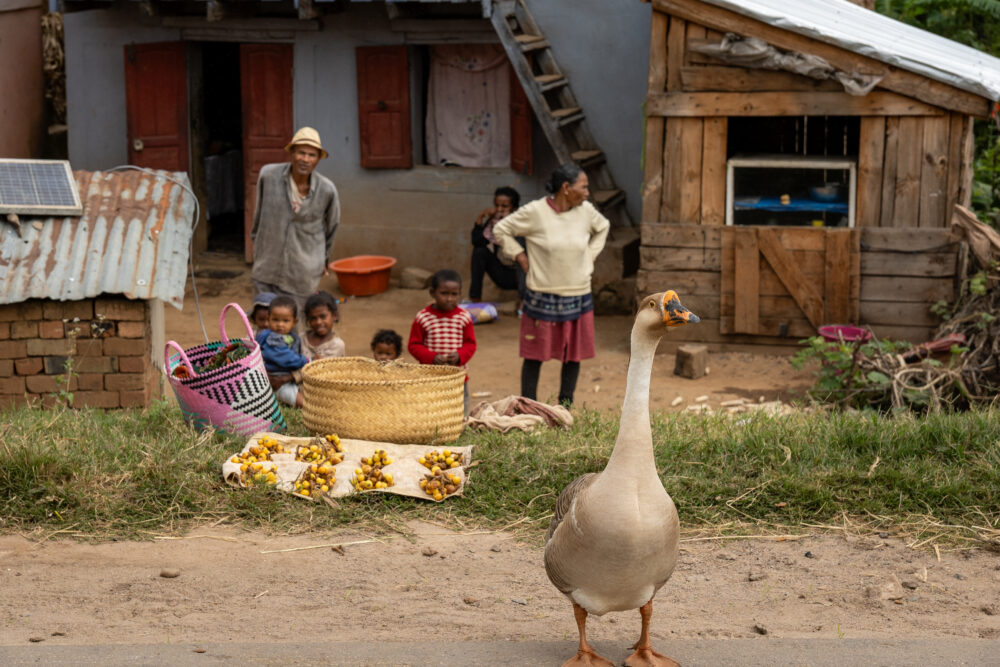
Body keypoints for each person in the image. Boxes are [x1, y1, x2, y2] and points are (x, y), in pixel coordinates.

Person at [492, 163, 609, 406]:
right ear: (566, 188)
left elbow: (603, 227)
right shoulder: (535, 212)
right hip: (542, 294)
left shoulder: (586, 211)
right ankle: (528, 406)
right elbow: (501, 229)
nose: (587, 193)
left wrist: (589, 256)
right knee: (534, 354)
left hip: (578, 293)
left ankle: (565, 406)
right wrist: (520, 256)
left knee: (573, 355)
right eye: (583, 187)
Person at [250, 126, 341, 321]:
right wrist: (258, 249)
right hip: (267, 266)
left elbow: (332, 227)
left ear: (318, 159)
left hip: (302, 272)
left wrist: (323, 260)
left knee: (294, 325)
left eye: (311, 155)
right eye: (301, 152)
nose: (305, 159)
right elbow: (258, 217)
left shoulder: (327, 190)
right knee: (264, 323)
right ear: (292, 153)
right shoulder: (268, 176)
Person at [408, 269, 477, 412]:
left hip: (457, 376)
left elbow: (470, 344)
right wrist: (431, 357)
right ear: (432, 293)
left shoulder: (464, 317)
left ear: (460, 294)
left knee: (459, 410)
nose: (449, 299)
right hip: (430, 377)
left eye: (454, 294)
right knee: (431, 410)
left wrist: (459, 356)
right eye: (444, 293)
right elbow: (414, 345)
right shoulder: (423, 317)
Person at [469, 186, 524, 301]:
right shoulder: (494, 221)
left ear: (514, 208)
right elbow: (477, 241)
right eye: (497, 205)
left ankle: (523, 301)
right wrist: (480, 218)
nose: (499, 209)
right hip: (502, 274)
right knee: (479, 251)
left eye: (504, 206)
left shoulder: (522, 222)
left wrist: (507, 225)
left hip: (520, 275)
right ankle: (475, 299)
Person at [256, 295, 310, 408]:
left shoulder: (292, 337)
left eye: (286, 320)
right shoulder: (272, 338)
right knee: (304, 404)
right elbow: (286, 358)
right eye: (275, 320)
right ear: (268, 319)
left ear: (294, 322)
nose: (280, 324)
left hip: (288, 377)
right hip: (274, 379)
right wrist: (306, 360)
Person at [302, 291, 346, 360]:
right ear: (308, 319)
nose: (318, 322)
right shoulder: (301, 339)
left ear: (335, 316)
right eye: (313, 318)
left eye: (323, 316)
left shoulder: (337, 345)